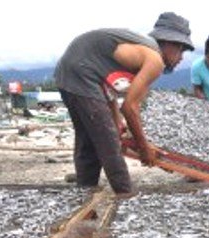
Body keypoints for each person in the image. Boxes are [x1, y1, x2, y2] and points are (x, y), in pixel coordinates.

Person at [54, 13, 194, 195]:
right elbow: (129, 107)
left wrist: (118, 124)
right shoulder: (155, 60)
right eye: (181, 50)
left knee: (88, 141)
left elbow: (108, 90)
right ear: (169, 43)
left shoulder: (141, 47)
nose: (181, 57)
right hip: (81, 72)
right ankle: (125, 195)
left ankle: (84, 195)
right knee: (109, 143)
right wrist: (144, 148)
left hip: (68, 72)